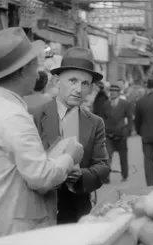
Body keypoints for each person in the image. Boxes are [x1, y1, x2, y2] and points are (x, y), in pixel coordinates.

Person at [0, 27, 84, 239]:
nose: (38, 73)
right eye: (35, 66)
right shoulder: (13, 116)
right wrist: (70, 157)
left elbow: (18, 166)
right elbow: (41, 177)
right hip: (16, 232)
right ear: (22, 70)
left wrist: (53, 156)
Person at [30, 47, 110, 224]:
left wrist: (81, 175)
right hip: (40, 210)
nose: (79, 89)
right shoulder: (34, 115)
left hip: (78, 210)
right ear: (58, 81)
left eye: (85, 83)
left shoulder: (95, 123)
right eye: (72, 80)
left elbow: (103, 166)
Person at [101, 84, 133, 183]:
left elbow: (130, 118)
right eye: (111, 91)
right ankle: (106, 178)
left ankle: (125, 175)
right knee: (107, 157)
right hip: (109, 134)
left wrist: (128, 131)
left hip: (121, 134)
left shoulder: (125, 104)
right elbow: (103, 118)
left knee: (123, 156)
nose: (112, 93)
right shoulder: (106, 104)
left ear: (119, 93)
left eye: (115, 91)